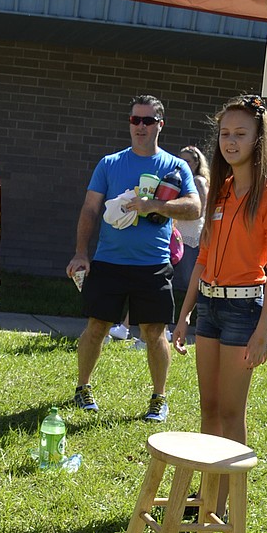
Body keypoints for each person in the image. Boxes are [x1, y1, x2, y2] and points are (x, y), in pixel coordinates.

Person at [172, 94, 267, 466]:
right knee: (208, 409)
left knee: (230, 413)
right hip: (208, 306)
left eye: (241, 133)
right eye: (225, 133)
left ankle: (223, 505)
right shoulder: (221, 190)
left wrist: (263, 330)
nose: (230, 141)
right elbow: (203, 258)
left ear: (260, 139)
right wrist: (184, 314)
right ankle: (207, 493)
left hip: (244, 311)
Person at [65, 94, 201, 421]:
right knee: (96, 327)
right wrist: (82, 252)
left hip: (153, 265)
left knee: (154, 333)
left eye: (147, 121)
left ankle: (159, 398)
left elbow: (195, 208)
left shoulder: (175, 166)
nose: (140, 126)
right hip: (109, 262)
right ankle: (82, 388)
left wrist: (156, 206)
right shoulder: (110, 164)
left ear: (160, 125)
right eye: (135, 120)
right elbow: (90, 209)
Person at [172, 143, 210, 293]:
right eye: (180, 160)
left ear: (196, 163)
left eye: (187, 161)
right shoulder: (180, 181)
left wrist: (173, 211)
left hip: (191, 235)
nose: (183, 164)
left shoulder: (198, 181)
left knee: (191, 278)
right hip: (177, 233)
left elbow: (200, 211)